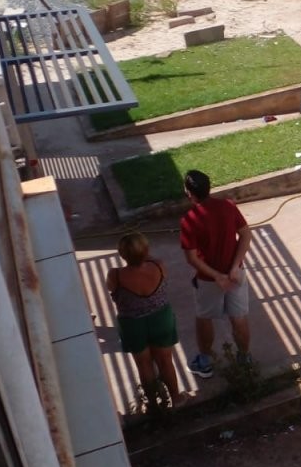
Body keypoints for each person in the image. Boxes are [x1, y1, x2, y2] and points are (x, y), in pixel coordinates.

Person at [179, 170, 253, 378]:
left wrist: (218, 276)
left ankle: (205, 362)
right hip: (236, 275)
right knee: (239, 317)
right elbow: (246, 235)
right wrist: (234, 267)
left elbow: (192, 258)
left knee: (204, 317)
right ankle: (245, 358)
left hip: (208, 280)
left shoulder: (190, 220)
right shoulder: (228, 206)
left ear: (189, 193)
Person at [105, 232, 188, 408]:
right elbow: (149, 259)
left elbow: (111, 289)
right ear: (147, 250)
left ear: (122, 255)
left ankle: (153, 404)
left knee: (143, 365)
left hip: (132, 324)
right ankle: (176, 397)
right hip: (161, 319)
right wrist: (144, 254)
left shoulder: (115, 275)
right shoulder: (159, 266)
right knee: (166, 360)